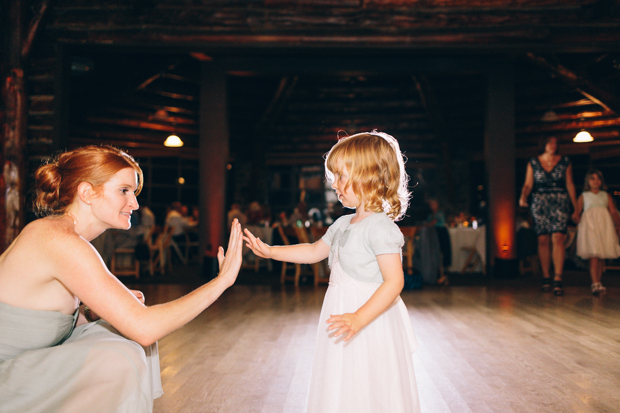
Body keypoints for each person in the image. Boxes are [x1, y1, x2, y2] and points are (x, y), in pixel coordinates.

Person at [0, 145, 243, 413]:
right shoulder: (58, 239)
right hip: (6, 379)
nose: (135, 203)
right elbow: (145, 328)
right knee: (121, 356)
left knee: (123, 340)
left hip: (24, 365)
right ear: (87, 192)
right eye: (124, 191)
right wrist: (221, 281)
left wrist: (95, 312)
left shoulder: (67, 238)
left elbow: (35, 318)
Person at [244, 131, 420, 413]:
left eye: (340, 176)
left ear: (368, 176)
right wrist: (272, 251)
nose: (334, 184)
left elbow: (394, 282)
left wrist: (359, 318)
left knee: (370, 382)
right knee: (342, 380)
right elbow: (314, 251)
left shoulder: (381, 228)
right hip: (342, 314)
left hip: (370, 318)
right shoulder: (342, 223)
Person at [519, 136, 577, 296]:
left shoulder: (565, 161)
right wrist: (523, 196)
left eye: (556, 142)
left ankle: (558, 278)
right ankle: (546, 277)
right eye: (550, 142)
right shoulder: (533, 162)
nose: (553, 145)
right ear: (543, 144)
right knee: (542, 239)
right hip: (539, 201)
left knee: (558, 237)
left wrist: (575, 207)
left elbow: (570, 184)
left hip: (559, 200)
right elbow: (528, 184)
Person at [572, 169, 620, 295]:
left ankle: (599, 281)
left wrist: (618, 224)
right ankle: (595, 283)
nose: (596, 181)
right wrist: (576, 217)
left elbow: (613, 211)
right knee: (594, 255)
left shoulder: (605, 195)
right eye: (592, 178)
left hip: (604, 226)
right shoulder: (584, 196)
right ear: (588, 181)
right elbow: (576, 212)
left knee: (601, 256)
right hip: (590, 227)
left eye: (598, 178)